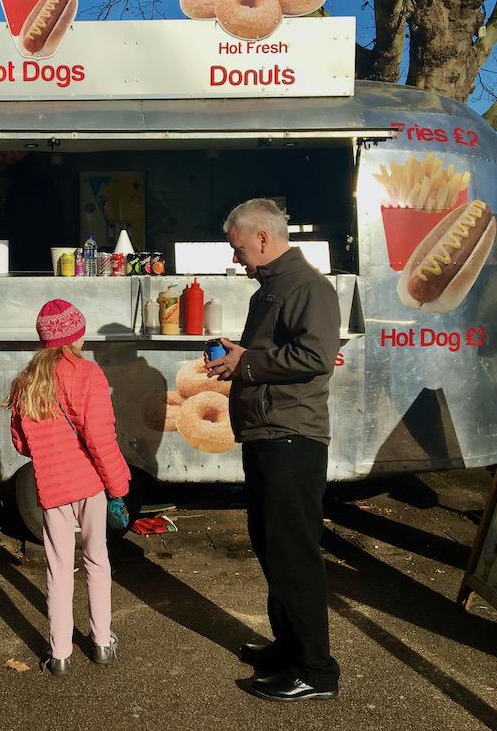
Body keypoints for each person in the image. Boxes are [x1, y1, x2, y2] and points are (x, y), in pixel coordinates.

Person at [205, 198, 342, 702]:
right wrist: (241, 359)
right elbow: (300, 351)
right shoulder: (276, 287)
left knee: (293, 554)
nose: (237, 258)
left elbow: (315, 354)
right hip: (269, 431)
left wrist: (245, 363)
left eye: (239, 248)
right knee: (270, 545)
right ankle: (289, 648)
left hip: (290, 435)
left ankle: (315, 671)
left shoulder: (306, 287)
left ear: (263, 237)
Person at [4, 299, 131, 676]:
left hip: (51, 488)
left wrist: (48, 447)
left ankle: (59, 653)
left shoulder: (27, 380)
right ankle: (102, 642)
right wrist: (118, 485)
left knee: (59, 568)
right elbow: (100, 438)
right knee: (97, 560)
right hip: (89, 485)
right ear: (77, 335)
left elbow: (20, 443)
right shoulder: (89, 373)